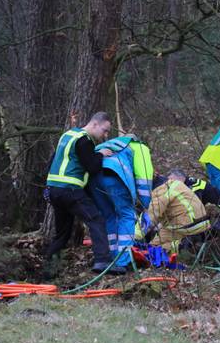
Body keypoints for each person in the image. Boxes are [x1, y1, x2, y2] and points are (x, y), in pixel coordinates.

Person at [43, 112, 114, 276]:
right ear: (95, 124)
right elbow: (92, 167)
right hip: (71, 190)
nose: (105, 135)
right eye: (104, 130)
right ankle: (102, 261)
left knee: (62, 233)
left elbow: (52, 162)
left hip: (54, 190)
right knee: (96, 219)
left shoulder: (67, 135)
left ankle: (47, 272)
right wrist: (101, 154)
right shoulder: (85, 140)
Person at [90, 134, 154, 274]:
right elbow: (144, 177)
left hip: (93, 179)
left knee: (108, 217)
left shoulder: (110, 144)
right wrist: (145, 204)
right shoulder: (140, 147)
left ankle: (110, 258)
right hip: (114, 176)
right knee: (127, 216)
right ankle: (122, 261)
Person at [145, 169, 211, 252]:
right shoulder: (173, 184)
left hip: (186, 224)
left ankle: (182, 245)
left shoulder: (159, 191)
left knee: (153, 248)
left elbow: (151, 215)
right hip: (200, 221)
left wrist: (135, 237)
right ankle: (189, 244)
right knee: (154, 243)